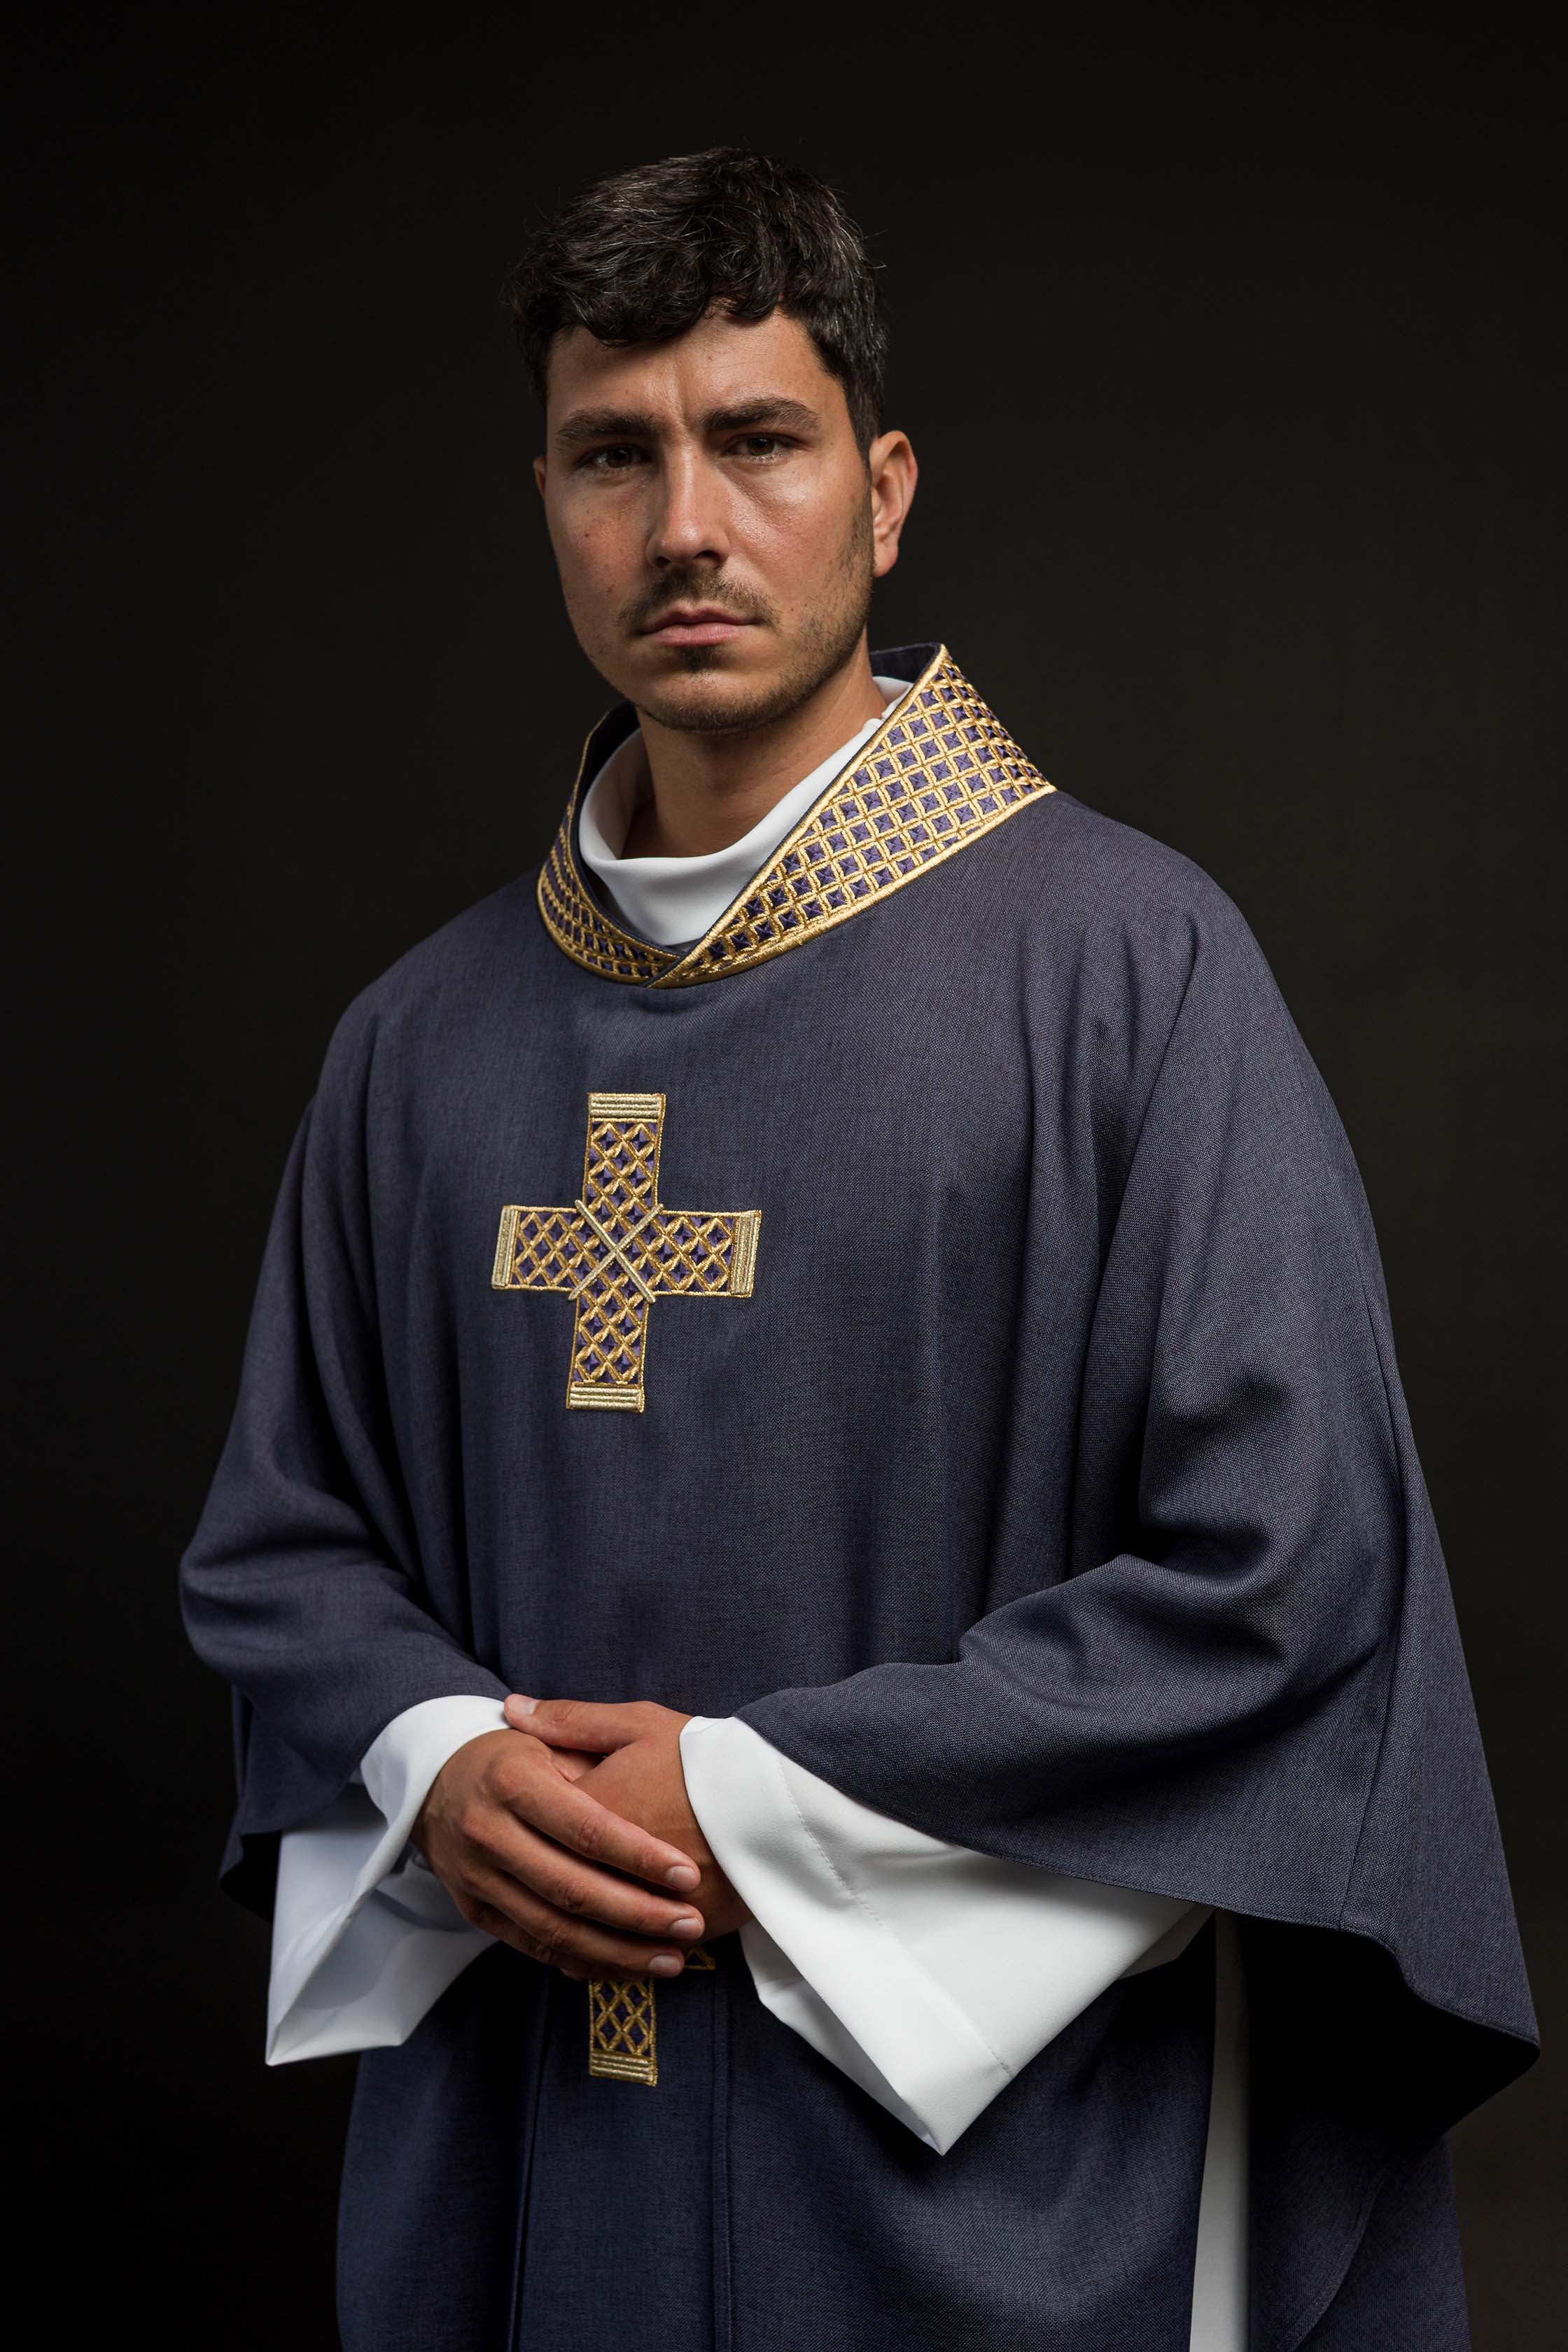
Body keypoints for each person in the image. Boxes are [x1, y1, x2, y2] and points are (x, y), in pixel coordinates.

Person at [181, 147, 1535, 2351]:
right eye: (615, 455)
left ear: (885, 491)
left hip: (975, 2176)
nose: (685, 526)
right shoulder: (416, 1043)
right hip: (522, 2125)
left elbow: (1280, 1574)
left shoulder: (1132, 969)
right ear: (543, 495)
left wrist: (756, 1802)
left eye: (760, 442)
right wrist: (437, 1757)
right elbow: (283, 1538)